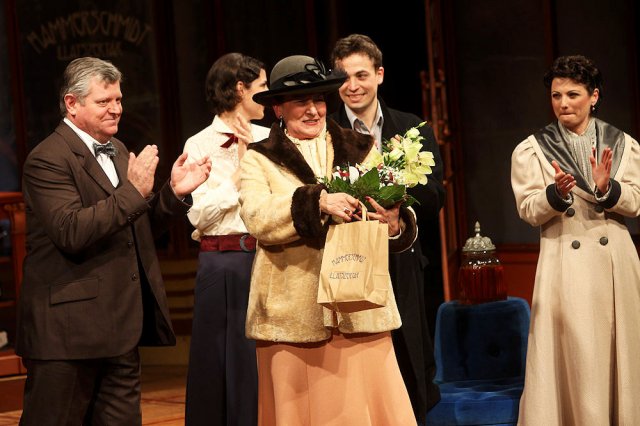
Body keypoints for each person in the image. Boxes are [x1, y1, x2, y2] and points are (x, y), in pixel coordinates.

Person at [17, 56, 212, 425]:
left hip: (121, 328)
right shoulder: (47, 158)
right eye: (103, 101)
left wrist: (173, 194)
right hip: (68, 335)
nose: (116, 109)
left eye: (118, 99)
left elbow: (132, 226)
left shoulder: (119, 150)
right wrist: (134, 192)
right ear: (72, 104)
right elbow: (71, 231)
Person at [239, 54, 418, 425]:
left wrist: (394, 223)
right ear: (278, 108)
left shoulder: (360, 147)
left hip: (360, 308)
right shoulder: (259, 158)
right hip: (293, 315)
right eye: (301, 101)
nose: (313, 110)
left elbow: (387, 212)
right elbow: (257, 216)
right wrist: (316, 201)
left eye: (319, 99)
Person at [511, 55, 640, 425]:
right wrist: (556, 194)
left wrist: (608, 189)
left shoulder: (622, 145)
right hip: (565, 261)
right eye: (556, 96)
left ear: (593, 96)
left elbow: (635, 201)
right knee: (577, 358)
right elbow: (528, 209)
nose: (563, 103)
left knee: (618, 354)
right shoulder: (533, 149)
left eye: (572, 94)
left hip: (614, 264)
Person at [329, 33, 445, 422]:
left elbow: (435, 197)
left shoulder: (411, 128)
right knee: (358, 369)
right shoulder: (326, 132)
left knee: (411, 364)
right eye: (343, 77)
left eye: (361, 75)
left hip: (402, 263)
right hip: (349, 267)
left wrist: (400, 206)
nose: (352, 86)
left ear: (379, 74)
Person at [183, 52, 270, 426]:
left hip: (268, 258)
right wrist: (240, 175)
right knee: (218, 363)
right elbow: (198, 215)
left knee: (260, 363)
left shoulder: (271, 137)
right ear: (240, 89)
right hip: (221, 263)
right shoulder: (199, 144)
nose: (269, 94)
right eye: (263, 86)